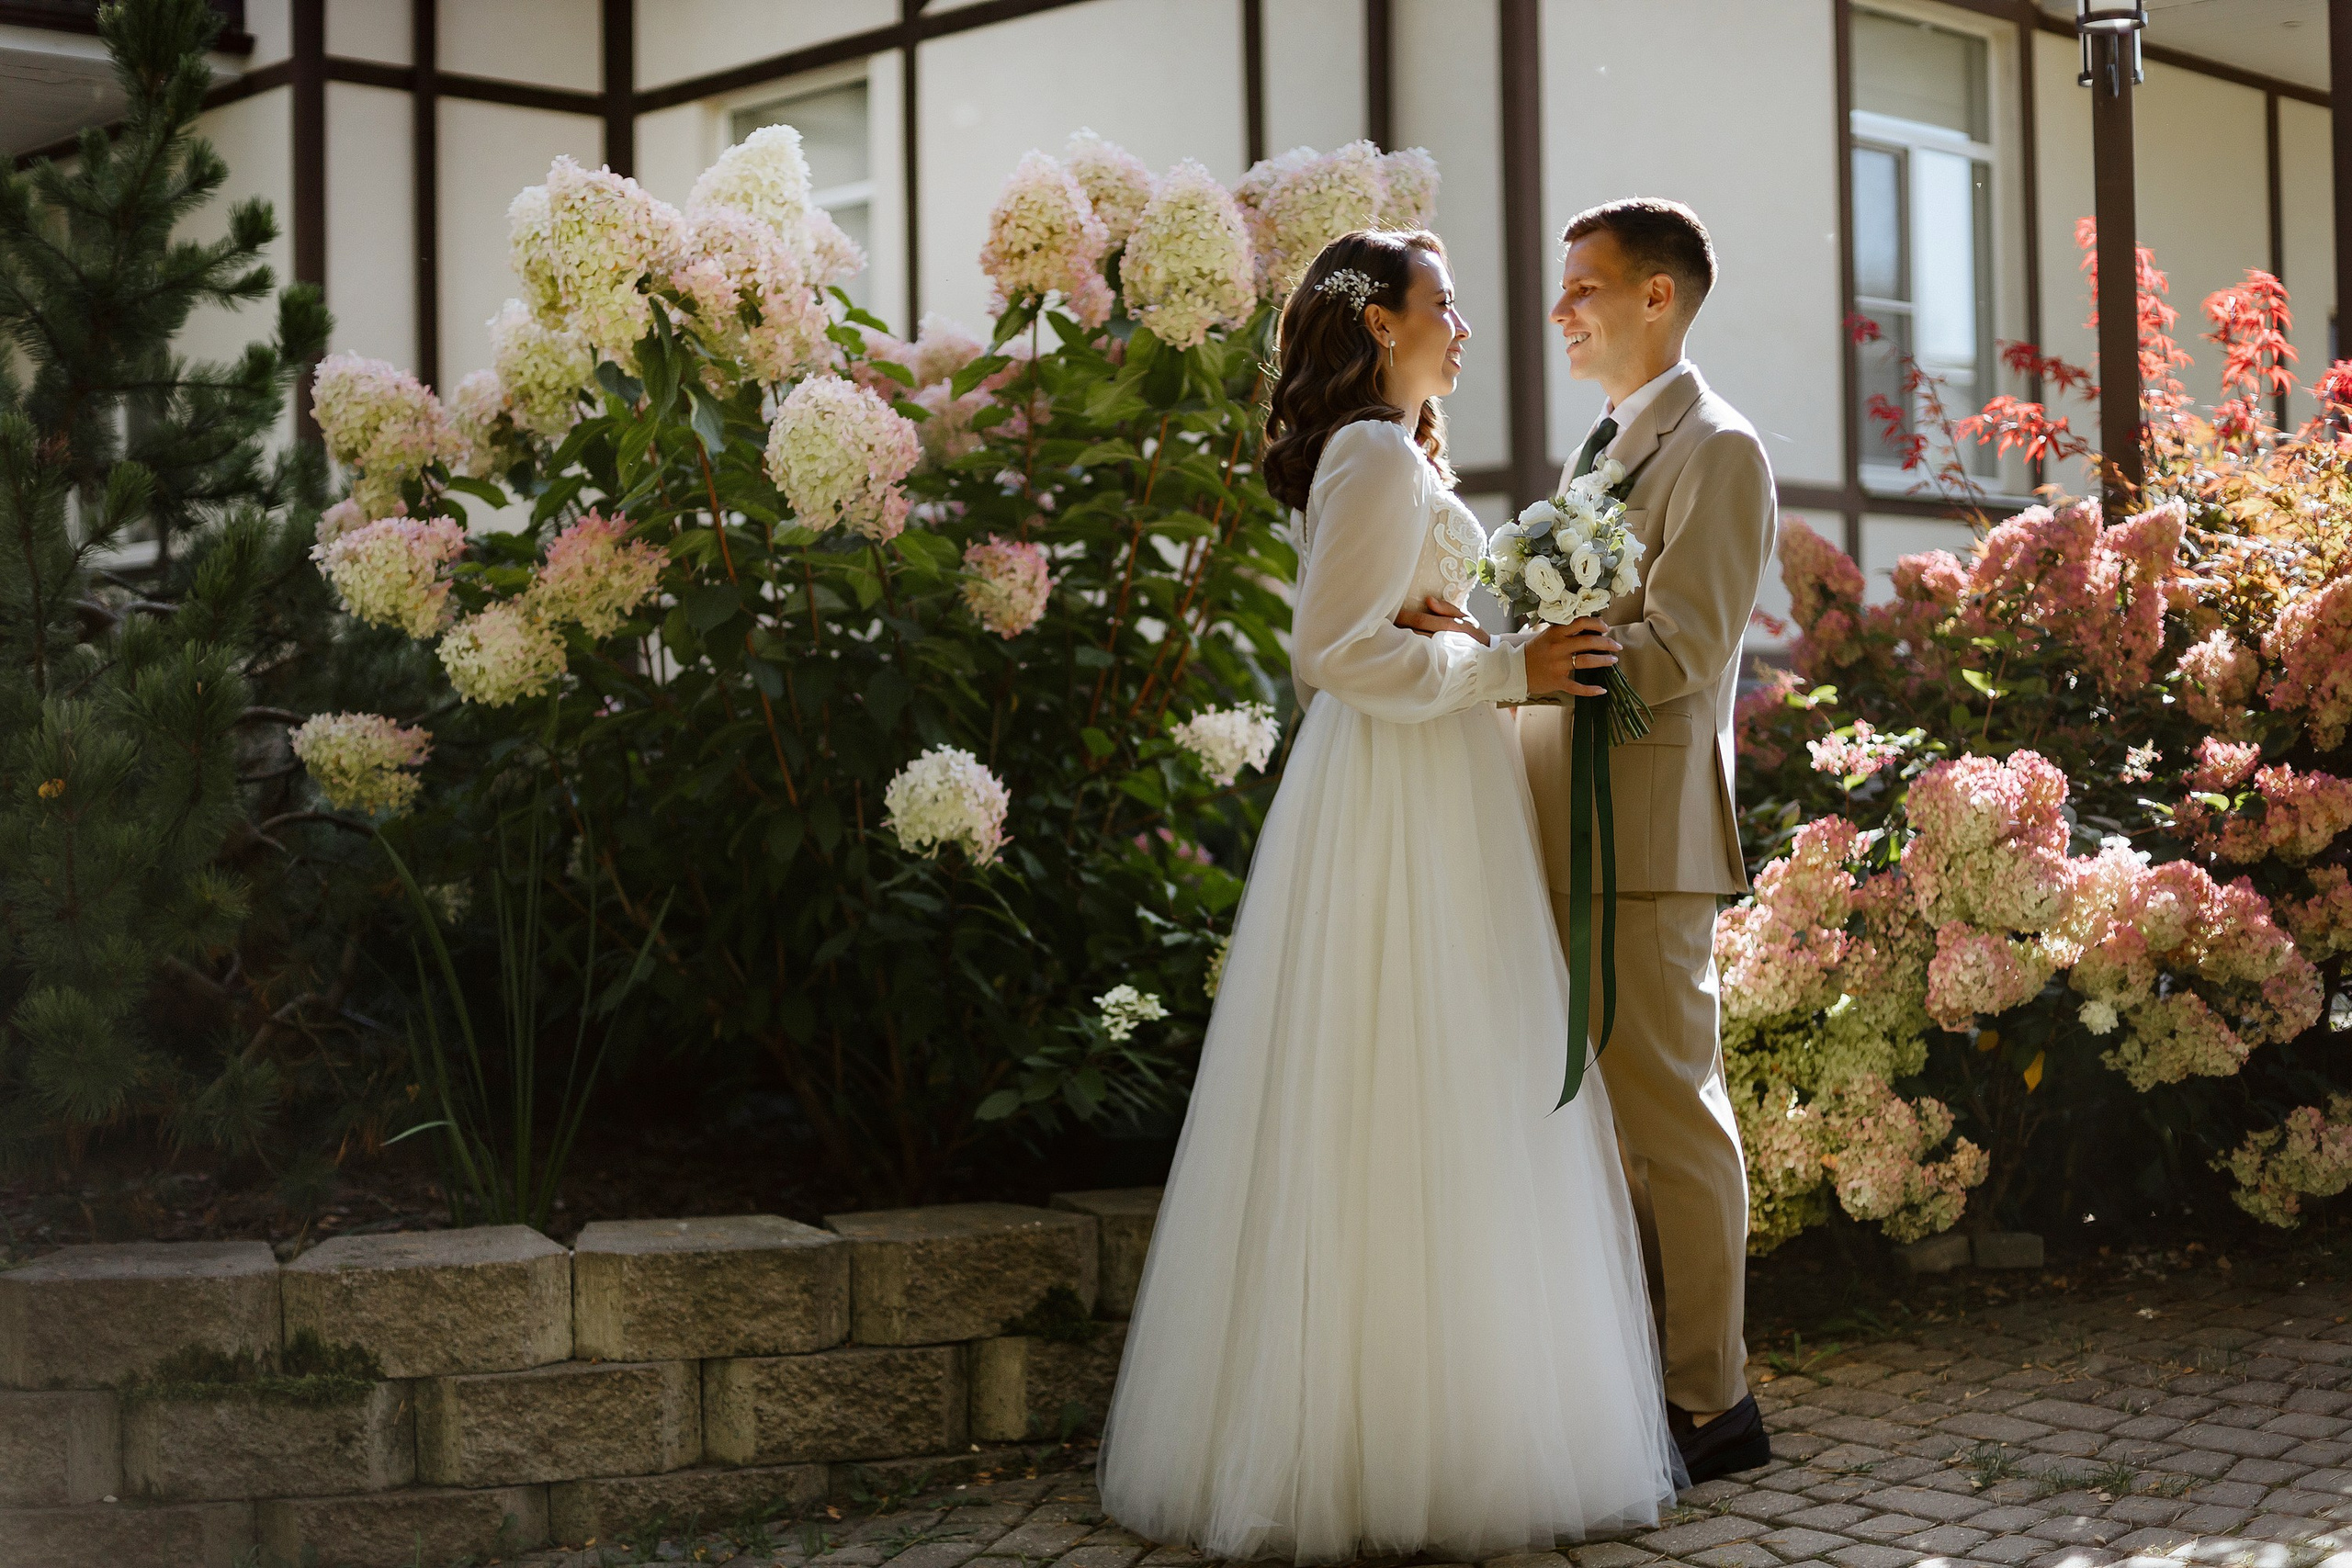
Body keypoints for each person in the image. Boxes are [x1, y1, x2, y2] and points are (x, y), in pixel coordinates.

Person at [1096, 226, 1679, 1564]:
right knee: (1391, 1083)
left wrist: (1480, 640)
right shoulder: (1367, 452)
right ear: (1377, 325)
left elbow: (1393, 620)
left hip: (1436, 784)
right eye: (1444, 306)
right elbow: (1327, 653)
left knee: (1442, 1089)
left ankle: (1445, 1416)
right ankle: (1370, 1442)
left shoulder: (1398, 453)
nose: (1465, 328)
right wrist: (1502, 670)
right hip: (1393, 801)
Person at [1403, 197, 1778, 1483]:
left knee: (1674, 1120)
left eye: (1585, 288)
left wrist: (1543, 650)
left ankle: (1714, 1405)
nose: (1560, 309)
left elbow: (1683, 650)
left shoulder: (1718, 449)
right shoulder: (1603, 450)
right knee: (1594, 1130)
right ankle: (1631, 1385)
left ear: (1658, 297)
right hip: (1553, 824)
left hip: (1647, 834)